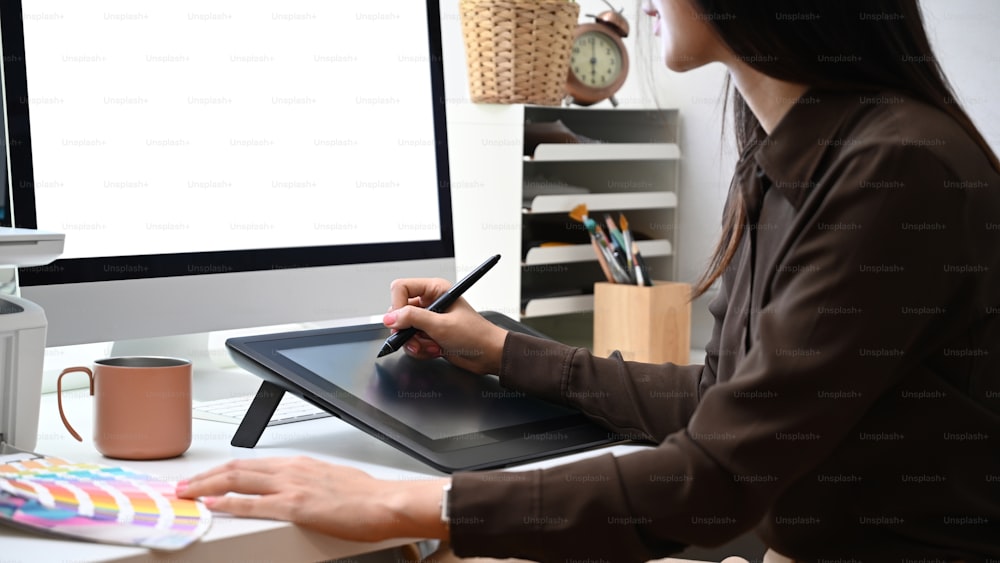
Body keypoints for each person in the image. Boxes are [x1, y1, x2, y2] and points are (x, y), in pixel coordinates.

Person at [177, 1, 1000, 561]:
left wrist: (407, 503)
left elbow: (711, 479)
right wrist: (501, 350)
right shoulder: (791, 157)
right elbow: (722, 404)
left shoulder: (896, 170)